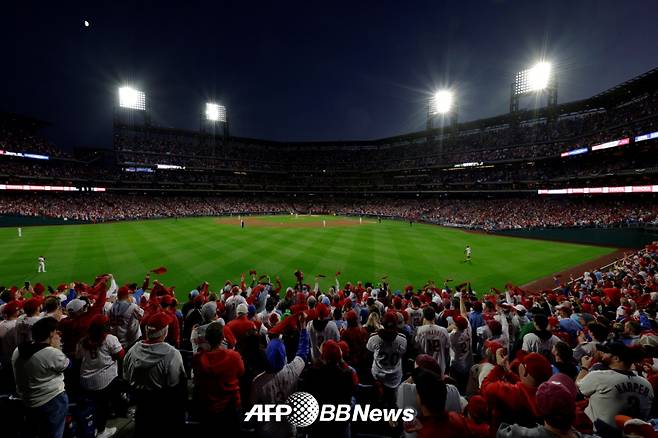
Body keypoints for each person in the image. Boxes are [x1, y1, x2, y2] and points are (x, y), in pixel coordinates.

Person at [123, 312, 187, 437]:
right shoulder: (172, 354)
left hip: (141, 406)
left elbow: (126, 378)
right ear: (164, 332)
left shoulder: (132, 351)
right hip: (163, 407)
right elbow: (175, 384)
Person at [577, 341, 653, 433]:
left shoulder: (600, 376)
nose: (603, 353)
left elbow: (577, 387)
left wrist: (584, 367)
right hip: (636, 434)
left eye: (607, 352)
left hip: (600, 433)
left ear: (616, 358)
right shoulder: (647, 384)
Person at [12, 317, 70, 438]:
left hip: (28, 399)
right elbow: (68, 365)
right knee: (54, 433)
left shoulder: (18, 349)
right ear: (51, 333)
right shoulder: (51, 352)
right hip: (51, 399)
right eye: (56, 331)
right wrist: (57, 347)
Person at [192, 322, 245, 436]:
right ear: (222, 338)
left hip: (207, 407)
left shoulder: (198, 358)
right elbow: (241, 372)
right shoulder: (233, 356)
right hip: (230, 407)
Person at [77, 315, 124, 438]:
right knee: (102, 406)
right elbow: (121, 355)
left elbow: (78, 357)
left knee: (92, 406)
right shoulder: (109, 339)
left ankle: (92, 428)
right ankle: (101, 431)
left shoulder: (83, 340)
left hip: (85, 379)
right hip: (104, 380)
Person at [415, 307, 450, 376]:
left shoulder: (419, 330)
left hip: (424, 367)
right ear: (434, 317)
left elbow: (416, 349)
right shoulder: (443, 330)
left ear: (424, 317)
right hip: (440, 366)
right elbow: (447, 350)